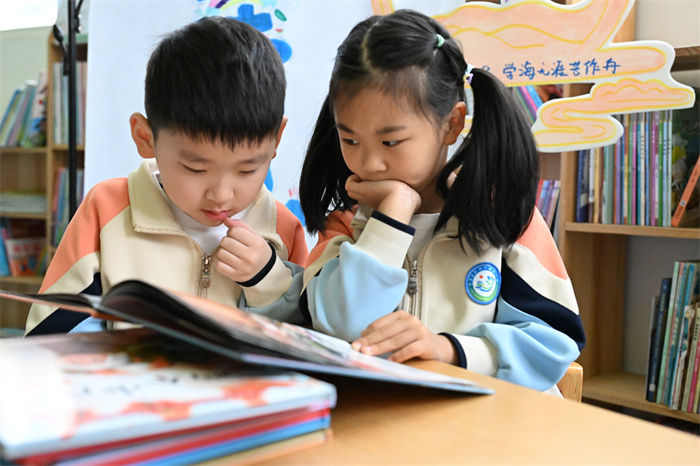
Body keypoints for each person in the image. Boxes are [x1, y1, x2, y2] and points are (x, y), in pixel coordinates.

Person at [298, 9, 584, 393]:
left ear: (452, 123)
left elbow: (553, 341)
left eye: (390, 142)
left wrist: (448, 349)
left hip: (496, 421)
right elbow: (339, 325)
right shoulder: (346, 224)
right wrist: (391, 217)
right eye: (350, 140)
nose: (369, 163)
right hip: (391, 419)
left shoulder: (503, 215)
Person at [25, 16, 307, 335]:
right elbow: (48, 335)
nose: (221, 194)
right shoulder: (107, 210)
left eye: (247, 169)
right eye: (196, 169)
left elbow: (312, 343)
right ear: (146, 138)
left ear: (276, 141)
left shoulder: (282, 230)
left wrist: (267, 278)